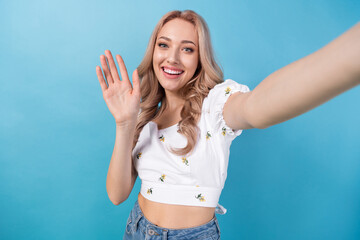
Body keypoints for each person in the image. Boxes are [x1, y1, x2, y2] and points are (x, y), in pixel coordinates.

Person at [95, 10, 360, 240]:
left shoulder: (214, 106)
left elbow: (257, 107)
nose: (172, 58)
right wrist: (124, 123)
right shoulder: (146, 119)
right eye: (164, 45)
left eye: (187, 49)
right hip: (136, 230)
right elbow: (117, 195)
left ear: (200, 59)